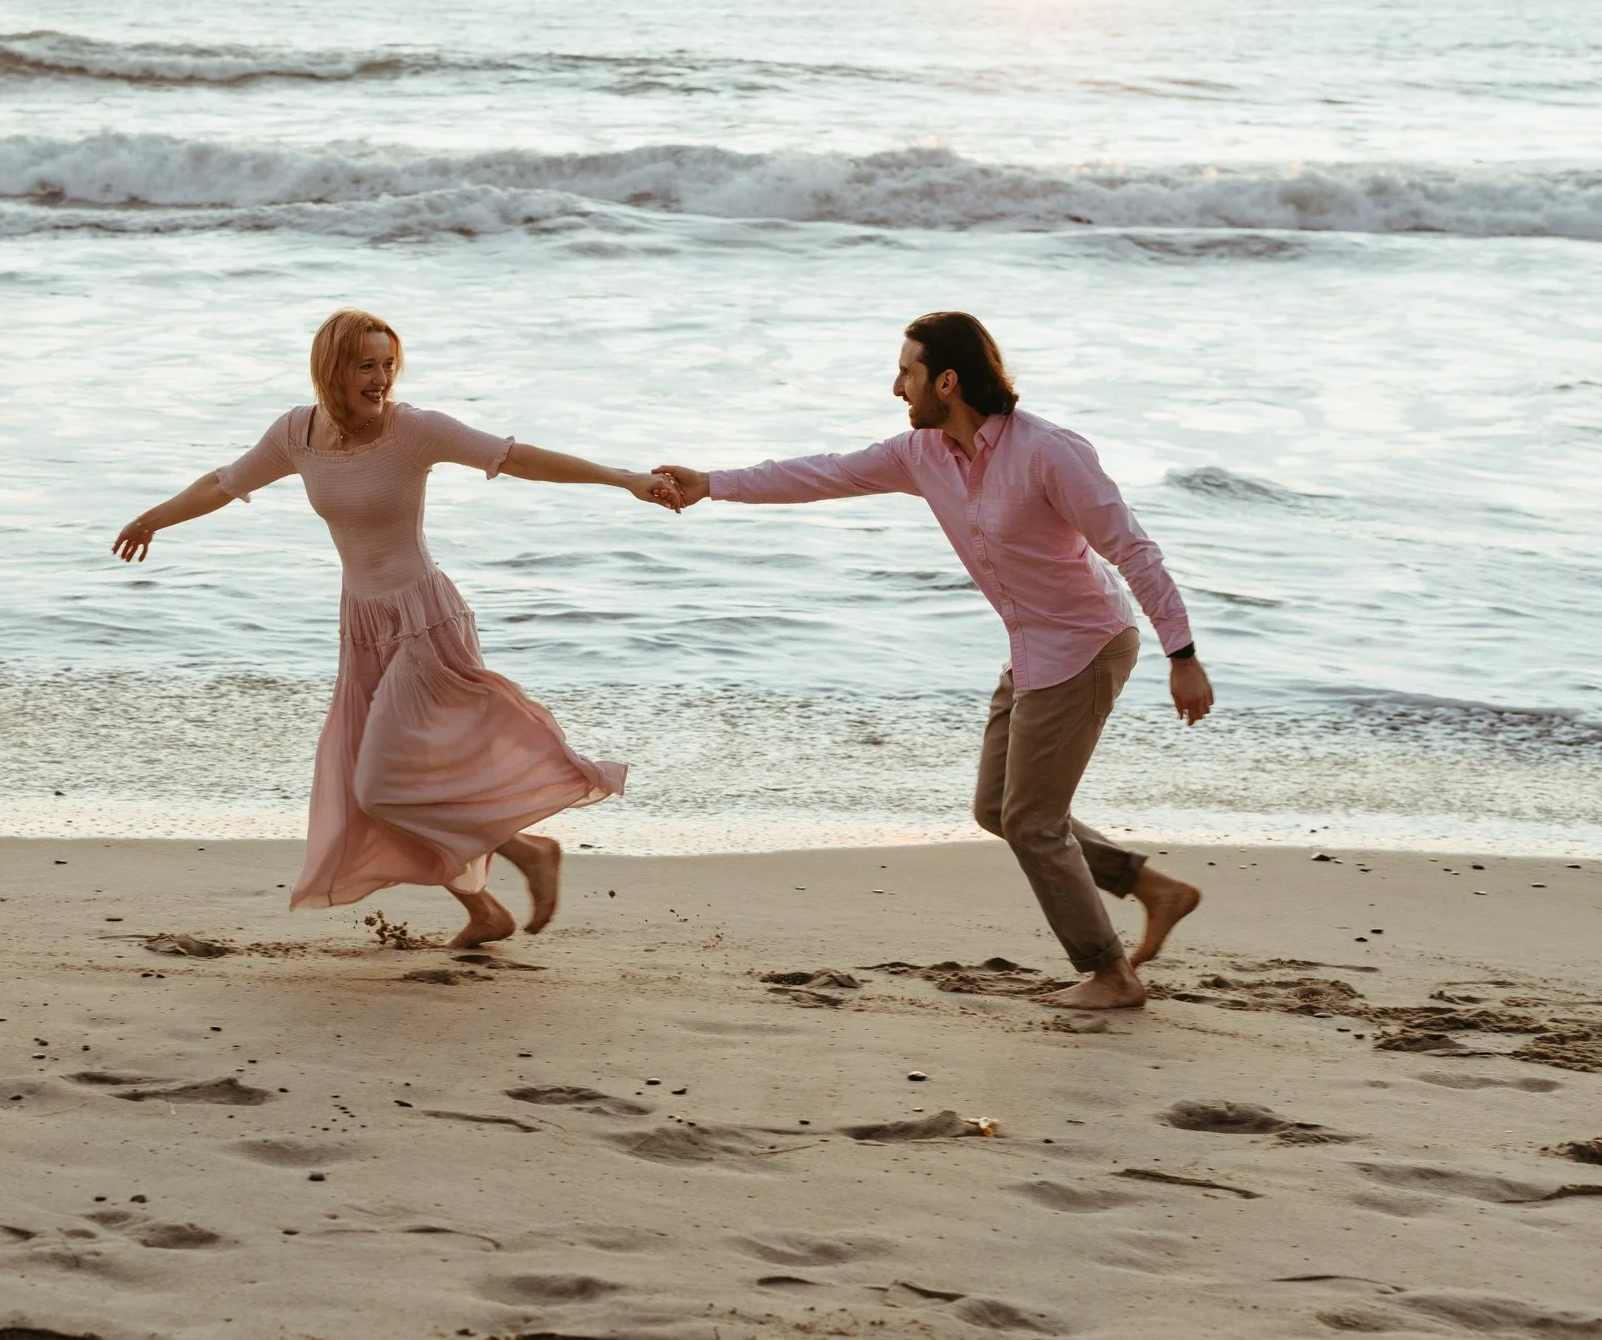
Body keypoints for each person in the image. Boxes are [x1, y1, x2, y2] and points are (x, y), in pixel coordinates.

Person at [652, 312, 1211, 1010]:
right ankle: (1153, 887)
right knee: (996, 809)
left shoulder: (1049, 452)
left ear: (947, 381)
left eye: (907, 372)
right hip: (1030, 648)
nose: (896, 386)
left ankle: (1111, 973)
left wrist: (1181, 654)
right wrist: (711, 482)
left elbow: (1134, 548)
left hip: (1086, 646)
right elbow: (822, 473)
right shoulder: (924, 453)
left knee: (1034, 822)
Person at [114, 308, 679, 947]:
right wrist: (152, 519)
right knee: (394, 784)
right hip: (361, 625)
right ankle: (484, 910)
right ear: (332, 369)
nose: (381, 378)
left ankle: (528, 852)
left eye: (388, 364)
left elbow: (516, 458)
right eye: (366, 365)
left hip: (424, 621)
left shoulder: (414, 431)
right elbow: (223, 483)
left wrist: (625, 478)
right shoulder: (294, 435)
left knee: (384, 786)